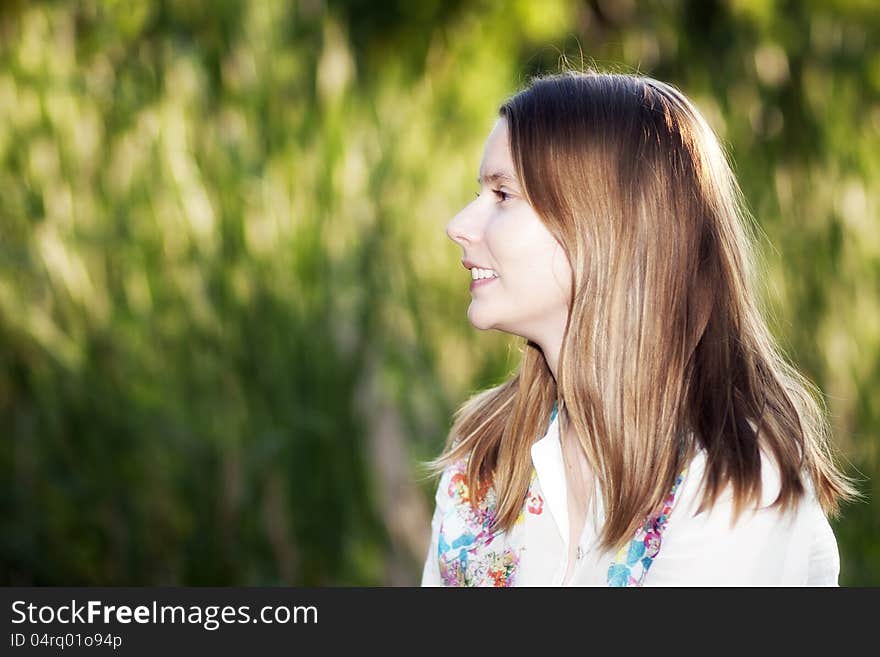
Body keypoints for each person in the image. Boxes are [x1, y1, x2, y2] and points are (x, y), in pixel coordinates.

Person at [418, 69, 860, 587]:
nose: (459, 225)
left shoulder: (735, 478)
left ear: (605, 226)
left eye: (502, 195)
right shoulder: (483, 458)